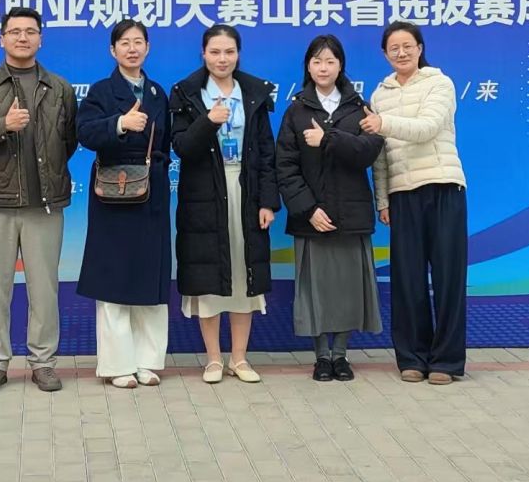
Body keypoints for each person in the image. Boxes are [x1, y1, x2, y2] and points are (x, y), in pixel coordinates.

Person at [0, 7, 78, 394]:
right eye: (15, 32)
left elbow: (68, 142)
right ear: (2, 39)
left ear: (41, 38)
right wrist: (2, 126)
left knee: (45, 289)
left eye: (30, 31)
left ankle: (43, 363)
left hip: (45, 205)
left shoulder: (59, 88)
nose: (23, 38)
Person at [362, 22, 469, 385]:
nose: (402, 53)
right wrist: (382, 199)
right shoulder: (379, 95)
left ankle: (447, 361)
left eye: (408, 45)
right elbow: (380, 156)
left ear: (420, 48)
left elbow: (428, 127)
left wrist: (382, 122)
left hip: (443, 187)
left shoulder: (440, 83)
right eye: (394, 48)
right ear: (385, 54)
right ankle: (411, 357)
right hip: (402, 194)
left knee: (448, 278)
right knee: (407, 280)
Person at [169, 25, 277, 385]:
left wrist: (267, 201)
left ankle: (239, 358)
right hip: (204, 195)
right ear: (203, 54)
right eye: (215, 52)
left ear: (238, 54)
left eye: (229, 52)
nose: (222, 59)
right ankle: (214, 359)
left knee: (245, 276)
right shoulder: (187, 93)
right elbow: (182, 147)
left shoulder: (254, 93)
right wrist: (207, 122)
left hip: (246, 191)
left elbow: (266, 153)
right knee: (208, 276)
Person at [275, 34, 385, 383]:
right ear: (308, 67)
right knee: (317, 291)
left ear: (341, 66)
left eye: (330, 61)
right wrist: (308, 209)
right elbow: (285, 167)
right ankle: (322, 356)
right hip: (313, 219)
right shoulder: (296, 111)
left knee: (348, 290)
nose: (323, 68)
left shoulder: (358, 108)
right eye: (317, 61)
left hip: (351, 215)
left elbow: (369, 151)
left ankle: (341, 355)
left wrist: (328, 139)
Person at [76, 20, 174, 389]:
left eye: (138, 42)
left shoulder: (157, 92)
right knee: (113, 278)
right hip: (113, 193)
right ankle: (118, 365)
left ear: (148, 47)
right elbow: (84, 133)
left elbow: (167, 141)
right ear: (112, 50)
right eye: (124, 43)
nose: (132, 49)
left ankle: (148, 362)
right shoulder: (101, 91)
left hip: (151, 192)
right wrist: (120, 123)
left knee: (150, 276)